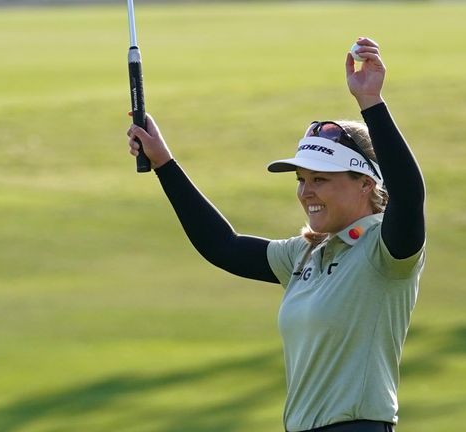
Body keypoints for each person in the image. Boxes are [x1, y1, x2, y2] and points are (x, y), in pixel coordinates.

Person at [127, 37, 426, 432]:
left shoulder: (386, 251)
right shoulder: (305, 256)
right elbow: (224, 247)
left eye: (321, 179)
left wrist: (371, 102)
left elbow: (408, 195)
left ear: (366, 184)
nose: (306, 192)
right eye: (302, 180)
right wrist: (165, 163)